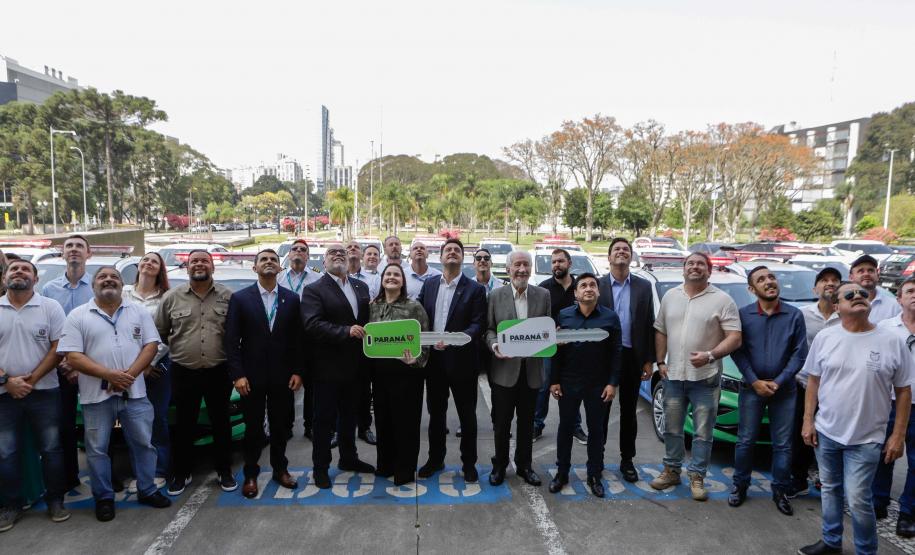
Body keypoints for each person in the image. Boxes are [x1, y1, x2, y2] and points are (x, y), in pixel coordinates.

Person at [798, 281, 913, 555]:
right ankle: (831, 542)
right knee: (830, 489)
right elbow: (813, 381)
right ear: (837, 306)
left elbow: (904, 391)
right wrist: (808, 420)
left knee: (859, 498)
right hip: (826, 433)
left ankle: (866, 551)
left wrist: (897, 436)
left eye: (863, 293)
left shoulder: (891, 340)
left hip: (867, 438)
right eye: (850, 294)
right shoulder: (826, 337)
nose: (858, 296)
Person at [57, 266, 171, 522]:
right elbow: (73, 355)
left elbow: (151, 346)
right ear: (93, 285)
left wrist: (127, 376)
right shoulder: (78, 315)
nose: (108, 280)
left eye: (114, 277)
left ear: (122, 284)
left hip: (136, 393)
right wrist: (110, 375)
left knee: (143, 444)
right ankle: (104, 497)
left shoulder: (138, 311)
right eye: (102, 277)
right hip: (96, 397)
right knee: (97, 449)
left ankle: (147, 489)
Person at [650, 252, 742, 501]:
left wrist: (711, 355)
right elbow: (661, 330)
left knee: (702, 433)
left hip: (705, 379)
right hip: (673, 377)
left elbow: (735, 337)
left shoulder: (722, 300)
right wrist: (661, 362)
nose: (695, 267)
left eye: (701, 264)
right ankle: (671, 471)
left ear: (709, 271)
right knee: (672, 429)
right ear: (684, 269)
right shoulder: (671, 296)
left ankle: (697, 476)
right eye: (690, 263)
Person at [727, 266, 808, 516]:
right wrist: (755, 381)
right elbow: (737, 351)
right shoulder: (744, 315)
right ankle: (740, 485)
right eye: (761, 279)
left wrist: (779, 381)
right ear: (752, 289)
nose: (769, 282)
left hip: (784, 391)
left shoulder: (794, 315)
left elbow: (799, 354)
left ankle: (780, 490)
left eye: (771, 277)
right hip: (751, 389)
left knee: (783, 444)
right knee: (745, 440)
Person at [156, 250, 237, 496]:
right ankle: (182, 473)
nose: (199, 264)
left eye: (204, 261)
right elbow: (160, 333)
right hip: (184, 371)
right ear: (187, 267)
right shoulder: (171, 298)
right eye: (194, 261)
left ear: (212, 267)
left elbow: (236, 333)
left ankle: (224, 471)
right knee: (184, 425)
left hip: (218, 371)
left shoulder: (228, 296)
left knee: (221, 423)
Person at [224, 249, 304, 499]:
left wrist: (298, 371)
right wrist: (237, 374)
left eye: (273, 260)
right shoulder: (240, 299)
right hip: (251, 377)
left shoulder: (291, 299)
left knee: (280, 426)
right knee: (253, 429)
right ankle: (251, 473)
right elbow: (231, 340)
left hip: (283, 376)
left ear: (280, 268)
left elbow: (298, 339)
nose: (269, 262)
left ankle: (281, 469)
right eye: (263, 260)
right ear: (255, 268)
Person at [0, 258, 70, 531]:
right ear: (4, 278)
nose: (19, 271)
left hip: (44, 392)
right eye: (14, 269)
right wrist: (7, 380)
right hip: (4, 394)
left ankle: (56, 500)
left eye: (25, 269)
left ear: (36, 279)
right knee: (5, 452)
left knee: (51, 448)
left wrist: (33, 378)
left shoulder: (50, 307)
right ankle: (12, 505)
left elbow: (58, 346)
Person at [300, 242, 375, 489]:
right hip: (327, 368)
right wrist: (345, 331)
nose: (338, 255)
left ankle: (348, 458)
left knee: (349, 417)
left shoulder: (361, 287)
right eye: (332, 252)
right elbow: (312, 324)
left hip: (357, 367)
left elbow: (368, 320)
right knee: (323, 421)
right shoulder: (314, 290)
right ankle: (320, 467)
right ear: (324, 262)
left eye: (342, 252)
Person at [416, 239, 486, 482]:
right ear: (441, 257)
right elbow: (419, 314)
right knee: (436, 415)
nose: (453, 252)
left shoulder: (475, 289)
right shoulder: (430, 284)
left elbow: (478, 324)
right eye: (448, 250)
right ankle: (436, 459)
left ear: (463, 258)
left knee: (467, 416)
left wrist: (457, 339)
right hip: (434, 362)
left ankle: (469, 464)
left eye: (457, 250)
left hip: (463, 362)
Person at [548, 273, 621, 498]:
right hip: (569, 381)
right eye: (583, 285)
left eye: (592, 285)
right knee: (565, 428)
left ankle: (594, 475)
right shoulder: (564, 316)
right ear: (576, 293)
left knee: (596, 430)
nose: (588, 288)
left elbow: (617, 353)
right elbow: (555, 351)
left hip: (598, 383)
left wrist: (612, 383)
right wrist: (554, 380)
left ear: (598, 291)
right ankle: (562, 473)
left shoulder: (610, 317)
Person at [485, 250, 551, 487]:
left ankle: (524, 465)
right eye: (517, 265)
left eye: (526, 265)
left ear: (531, 269)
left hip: (531, 372)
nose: (522, 269)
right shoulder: (495, 296)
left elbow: (547, 329)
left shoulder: (543, 295)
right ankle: (500, 465)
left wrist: (551, 337)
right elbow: (489, 329)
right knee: (502, 423)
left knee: (526, 423)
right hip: (504, 371)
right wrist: (494, 345)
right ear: (508, 269)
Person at [596, 238, 656, 483]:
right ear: (609, 257)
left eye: (626, 249)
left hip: (632, 356)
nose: (621, 252)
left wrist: (649, 359)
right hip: (603, 357)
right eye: (616, 249)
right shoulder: (597, 285)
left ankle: (627, 460)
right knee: (600, 411)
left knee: (629, 412)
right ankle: (597, 458)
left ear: (631, 256)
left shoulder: (643, 286)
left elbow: (649, 322)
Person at [41, 235, 94, 493]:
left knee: (98, 424)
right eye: (69, 246)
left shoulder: (96, 286)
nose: (74, 250)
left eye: (79, 246)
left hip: (93, 366)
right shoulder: (49, 290)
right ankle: (70, 476)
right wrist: (66, 362)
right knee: (64, 424)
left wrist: (81, 364)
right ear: (63, 253)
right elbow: (48, 330)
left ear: (88, 254)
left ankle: (106, 475)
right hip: (61, 367)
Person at [370, 263, 430, 486]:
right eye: (388, 274)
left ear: (403, 281)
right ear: (382, 279)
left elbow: (425, 339)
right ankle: (385, 465)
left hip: (407, 374)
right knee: (383, 421)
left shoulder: (414, 307)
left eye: (396, 274)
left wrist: (416, 360)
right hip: (380, 373)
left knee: (406, 423)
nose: (392, 277)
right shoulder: (373, 307)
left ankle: (404, 470)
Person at [122, 251, 171, 489]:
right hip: (123, 367)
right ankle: (141, 472)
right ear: (139, 265)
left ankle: (159, 469)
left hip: (156, 368)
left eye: (154, 261)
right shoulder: (123, 293)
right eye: (146, 260)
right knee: (132, 420)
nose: (149, 263)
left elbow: (168, 333)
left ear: (160, 269)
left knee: (157, 418)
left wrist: (148, 363)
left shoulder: (167, 297)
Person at [792, 267, 841, 497]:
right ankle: (798, 479)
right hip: (804, 384)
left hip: (836, 389)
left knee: (831, 435)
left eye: (835, 280)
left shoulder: (847, 317)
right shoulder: (801, 314)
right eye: (824, 280)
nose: (830, 283)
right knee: (801, 433)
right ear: (815, 289)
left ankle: (827, 479)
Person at [872, 276, 915, 537]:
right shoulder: (885, 328)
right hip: (888, 402)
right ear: (899, 299)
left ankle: (909, 512)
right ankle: (878, 502)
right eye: (910, 291)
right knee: (883, 453)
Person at [534, 249, 586, 445]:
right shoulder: (543, 289)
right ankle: (536, 425)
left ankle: (575, 426)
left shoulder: (579, 287)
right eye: (554, 262)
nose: (556, 265)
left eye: (560, 261)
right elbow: (535, 317)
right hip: (549, 346)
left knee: (573, 388)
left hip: (574, 348)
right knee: (543, 387)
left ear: (569, 263)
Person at [277, 238, 320, 440]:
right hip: (284, 338)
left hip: (309, 337)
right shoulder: (278, 277)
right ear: (289, 254)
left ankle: (310, 426)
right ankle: (285, 426)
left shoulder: (317, 278)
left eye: (303, 249)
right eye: (295, 249)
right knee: (285, 384)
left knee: (311, 385)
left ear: (308, 256)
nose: (299, 252)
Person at [346, 240, 378, 445]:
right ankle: (341, 430)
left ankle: (364, 427)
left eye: (355, 248)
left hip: (365, 343)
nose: (351, 250)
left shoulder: (368, 282)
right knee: (342, 391)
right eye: (348, 248)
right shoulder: (330, 281)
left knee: (364, 390)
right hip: (341, 342)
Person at [850, 254, 900, 324]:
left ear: (878, 276)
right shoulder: (843, 304)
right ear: (851, 277)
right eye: (861, 271)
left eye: (870, 270)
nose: (866, 274)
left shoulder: (894, 305)